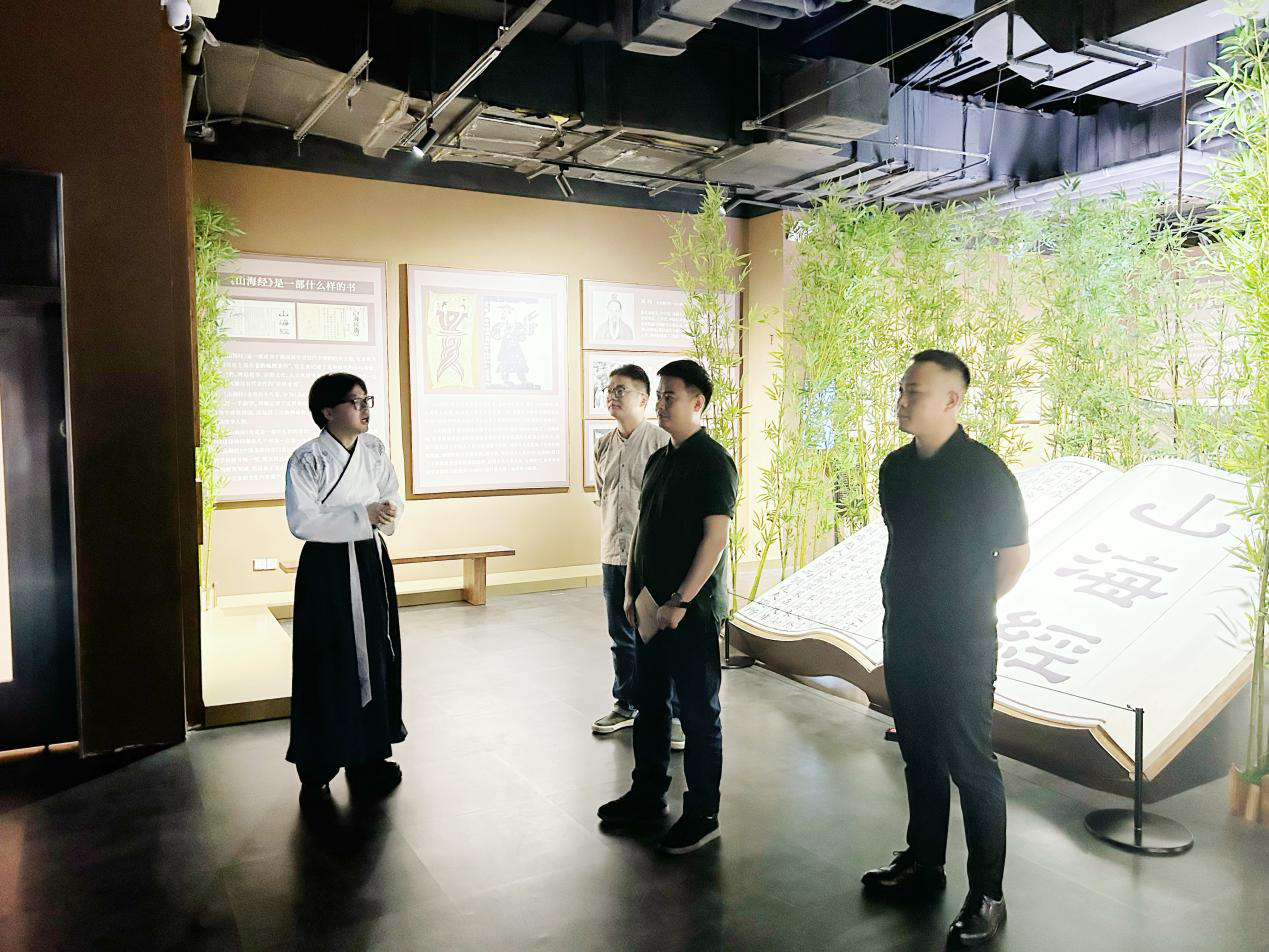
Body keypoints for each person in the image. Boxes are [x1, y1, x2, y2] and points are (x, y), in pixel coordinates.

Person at [861, 350, 1030, 947]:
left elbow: (1015, 558)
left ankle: (988, 894)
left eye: (914, 391)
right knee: (919, 755)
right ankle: (924, 862)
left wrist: (965, 608)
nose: (902, 400)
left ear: (952, 400)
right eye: (902, 389)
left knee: (970, 764)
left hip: (961, 643)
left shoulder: (985, 472)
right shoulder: (894, 469)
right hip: (903, 633)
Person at [597, 359, 737, 855]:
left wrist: (681, 599)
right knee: (650, 702)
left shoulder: (713, 461)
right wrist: (631, 587)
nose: (660, 404)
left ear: (698, 402)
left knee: (698, 714)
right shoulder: (660, 459)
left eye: (669, 396)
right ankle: (647, 793)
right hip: (649, 607)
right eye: (658, 395)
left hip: (688, 612)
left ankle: (702, 813)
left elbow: (715, 539)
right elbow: (641, 528)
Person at [284, 373, 408, 807]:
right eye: (355, 402)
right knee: (329, 657)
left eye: (366, 400)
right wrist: (362, 515)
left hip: (369, 560)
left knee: (376, 651)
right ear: (327, 411)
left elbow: (391, 493)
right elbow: (303, 520)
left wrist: (384, 513)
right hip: (329, 570)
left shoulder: (373, 449)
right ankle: (319, 762)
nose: (365, 408)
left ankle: (369, 754)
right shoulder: (307, 459)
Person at [590, 365, 683, 751]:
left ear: (643, 399)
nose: (612, 396)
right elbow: (604, 496)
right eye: (609, 390)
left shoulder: (662, 443)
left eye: (621, 390)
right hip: (614, 553)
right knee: (621, 636)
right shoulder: (603, 446)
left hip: (652, 558)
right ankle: (627, 703)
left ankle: (673, 715)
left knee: (661, 637)